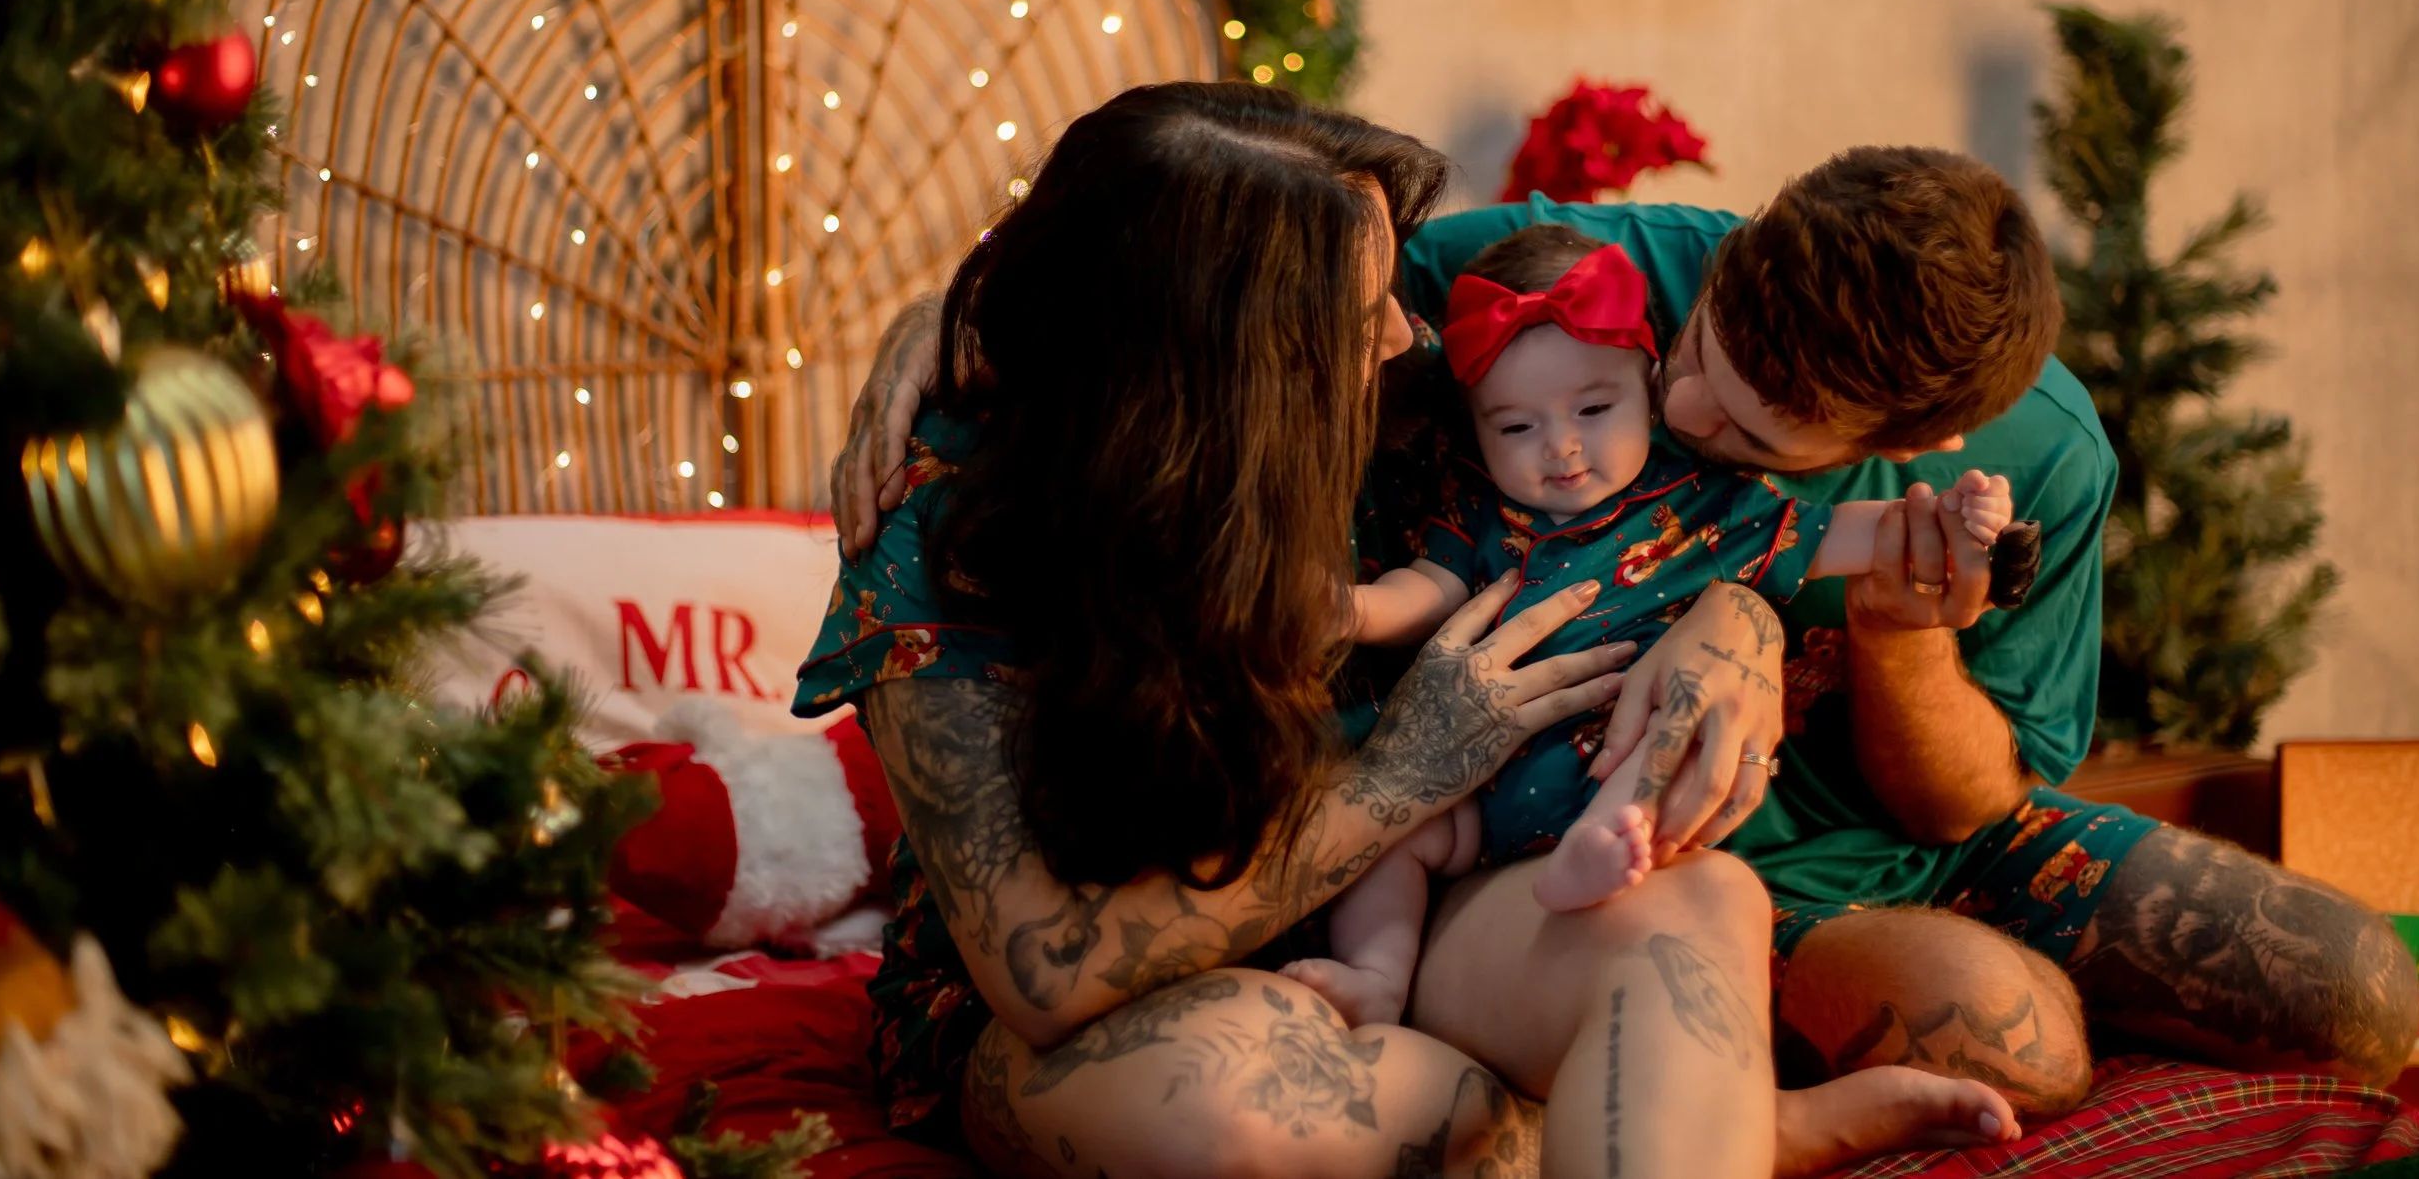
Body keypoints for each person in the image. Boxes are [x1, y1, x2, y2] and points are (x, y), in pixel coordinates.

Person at [836, 141, 2419, 1131]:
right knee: (2009, 1033)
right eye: (1711, 339)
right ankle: (1746, 1071)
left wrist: (1881, 631)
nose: (1687, 403)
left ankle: (1728, 1073)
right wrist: (950, 313)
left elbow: (1970, 801)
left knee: (2360, 987)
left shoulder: (2046, 464)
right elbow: (1200, 254)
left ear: (1919, 436)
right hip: (1624, 847)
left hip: (1884, 833)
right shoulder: (1590, 277)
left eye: (1768, 416)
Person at [801, 86, 2016, 1179]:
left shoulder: (1415, 400)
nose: (1408, 333)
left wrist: (1734, 613)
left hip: (1407, 924)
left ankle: (1672, 1115)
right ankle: (1716, 1124)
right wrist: (1402, 774)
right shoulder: (947, 517)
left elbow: (1648, 520)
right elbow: (1045, 970)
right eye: (1363, 307)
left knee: (1693, 912)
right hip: (1104, 998)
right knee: (1222, 1094)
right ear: (1217, 359)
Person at [1290, 225, 2015, 1031]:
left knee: (1669, 732)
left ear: (1648, 379)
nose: (1561, 446)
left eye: (1595, 409)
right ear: (1477, 428)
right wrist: (1351, 609)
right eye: (1516, 427)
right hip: (1468, 785)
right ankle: (1377, 975)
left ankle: (1603, 849)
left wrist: (1952, 516)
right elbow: (1426, 590)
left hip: (1613, 764)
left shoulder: (1707, 506)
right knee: (1390, 843)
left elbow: (1850, 531)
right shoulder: (1478, 506)